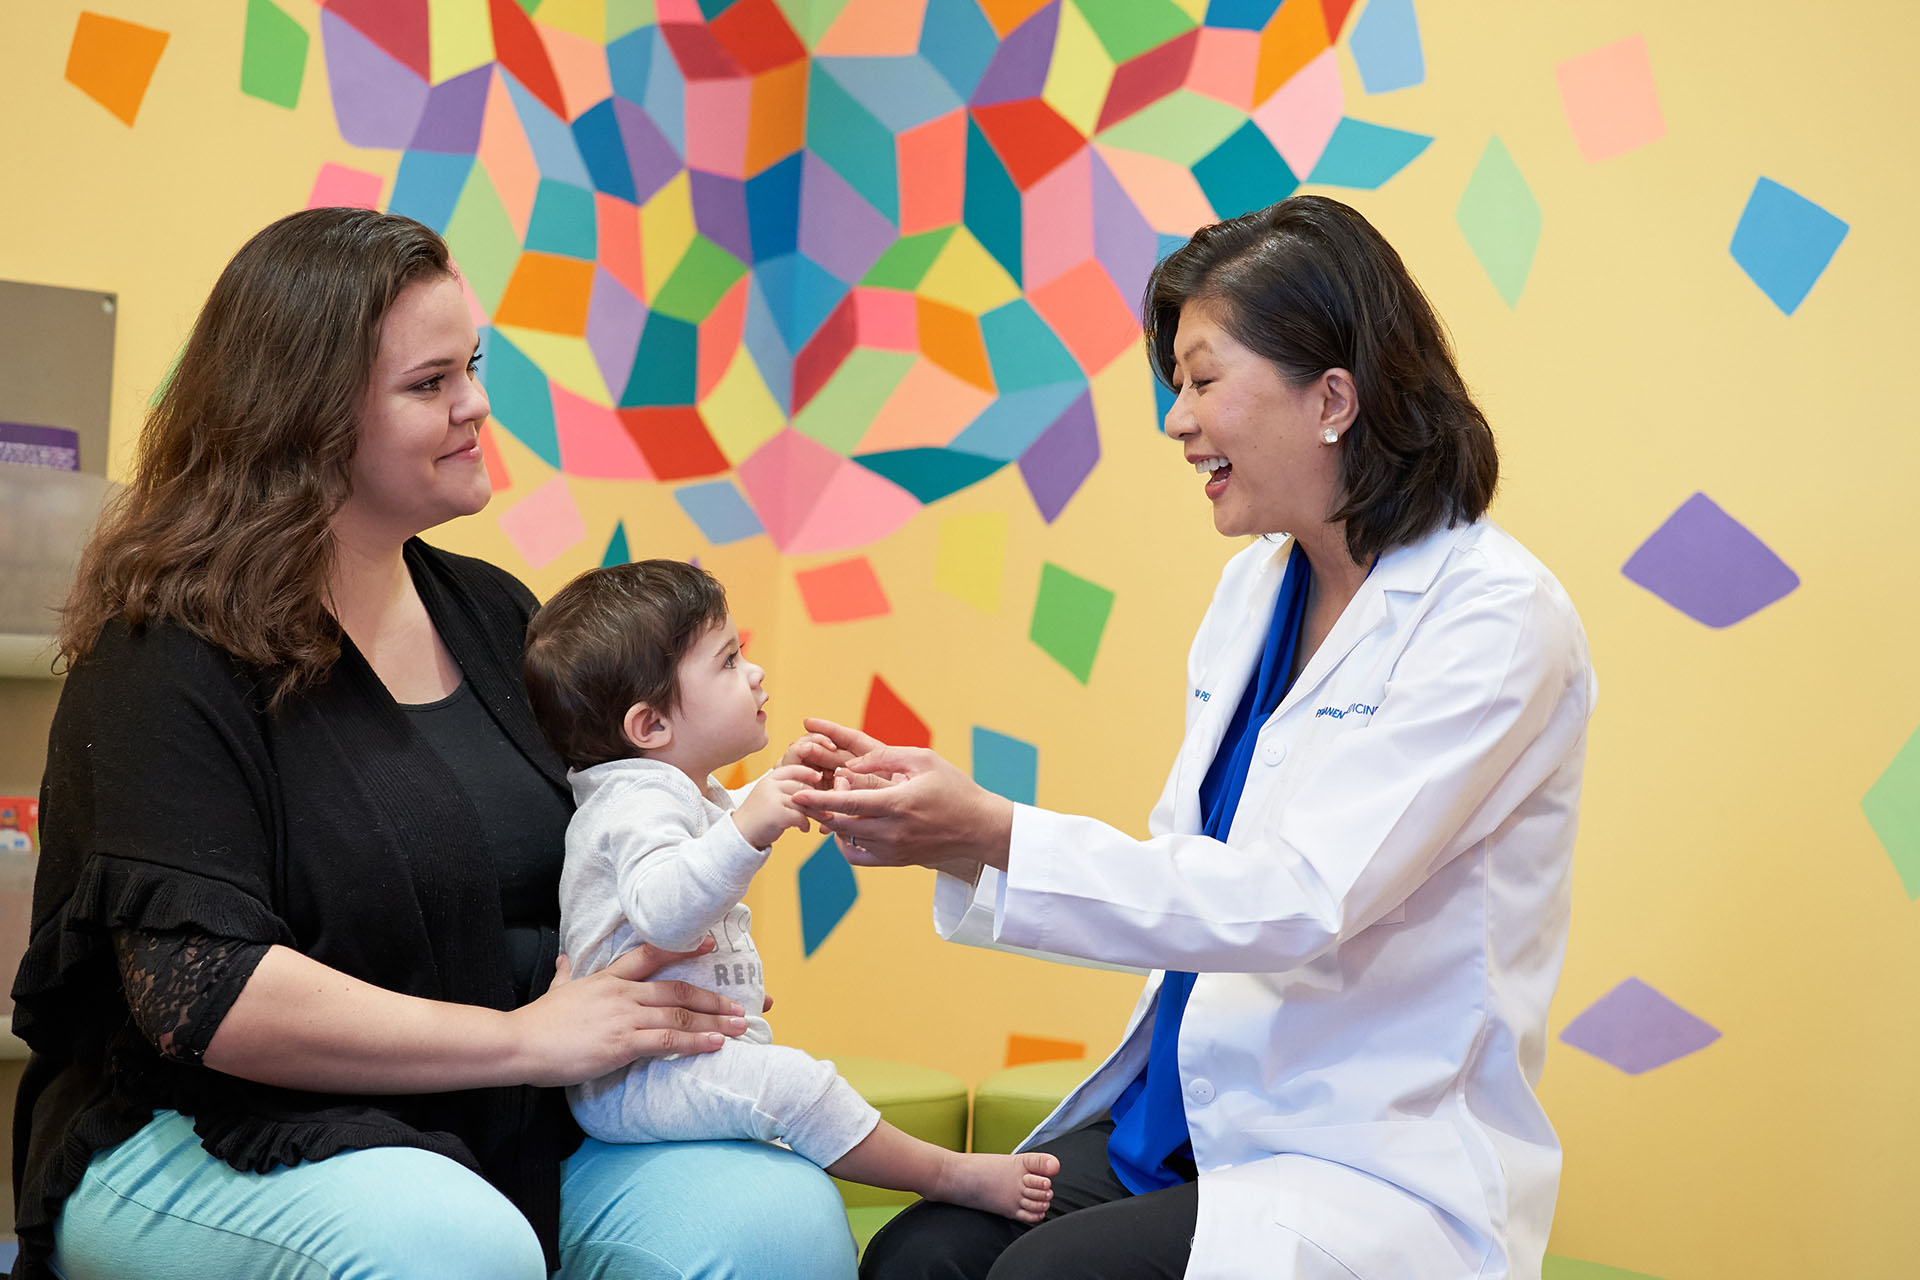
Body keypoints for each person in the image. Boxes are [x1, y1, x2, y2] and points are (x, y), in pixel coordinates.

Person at [8, 208, 857, 1280]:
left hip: (505, 1108)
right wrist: (533, 1038)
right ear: (307, 419)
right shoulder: (163, 661)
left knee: (773, 1218)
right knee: (453, 1249)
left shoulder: (502, 620)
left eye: (476, 365)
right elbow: (209, 999)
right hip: (202, 1122)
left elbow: (622, 830)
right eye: (430, 383)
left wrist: (664, 970)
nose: (477, 405)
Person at [790, 194, 1599, 1280]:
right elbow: (1186, 872)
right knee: (921, 1256)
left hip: (1358, 1157)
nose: (1176, 418)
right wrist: (960, 841)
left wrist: (996, 829)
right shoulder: (1252, 593)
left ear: (1333, 397)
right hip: (1188, 1123)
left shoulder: (1495, 619)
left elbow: (1297, 898)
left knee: (1043, 1277)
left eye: (1203, 379)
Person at [521, 559, 1059, 1221]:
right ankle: (947, 1174)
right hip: (638, 1078)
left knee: (787, 1090)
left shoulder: (664, 791)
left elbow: (704, 837)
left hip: (679, 1054)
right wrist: (753, 823)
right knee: (801, 1086)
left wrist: (781, 785)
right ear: (650, 727)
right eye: (727, 660)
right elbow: (662, 911)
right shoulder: (629, 807)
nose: (755, 672)